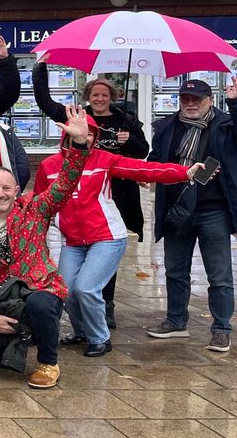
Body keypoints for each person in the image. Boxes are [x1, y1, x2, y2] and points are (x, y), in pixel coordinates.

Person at [35, 115, 198, 357]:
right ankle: (82, 331)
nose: (85, 137)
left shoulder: (104, 159)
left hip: (107, 237)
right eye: (81, 132)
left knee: (86, 288)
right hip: (73, 240)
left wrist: (184, 172)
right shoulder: (49, 165)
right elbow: (40, 205)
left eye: (91, 133)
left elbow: (144, 169)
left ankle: (100, 338)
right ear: (66, 134)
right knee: (65, 290)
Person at [0, 105, 91, 389]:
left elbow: (66, 184)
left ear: (17, 190)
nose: (0, 194)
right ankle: (19, 335)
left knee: (41, 304)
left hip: (40, 288)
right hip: (2, 298)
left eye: (6, 188)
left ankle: (48, 361)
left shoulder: (35, 207)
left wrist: (79, 144)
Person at [33, 61, 150, 326]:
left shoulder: (127, 120)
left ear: (112, 98)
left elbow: (142, 152)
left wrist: (128, 139)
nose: (99, 99)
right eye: (95, 95)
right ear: (88, 97)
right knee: (81, 252)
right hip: (83, 190)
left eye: (104, 95)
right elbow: (45, 102)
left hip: (117, 192)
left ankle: (105, 304)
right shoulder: (77, 116)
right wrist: (41, 68)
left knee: (105, 251)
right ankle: (86, 310)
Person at [145, 77, 237, 351]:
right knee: (174, 270)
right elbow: (155, 160)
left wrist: (235, 102)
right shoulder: (166, 126)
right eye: (185, 98)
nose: (190, 104)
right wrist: (145, 171)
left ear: (210, 100)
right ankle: (175, 321)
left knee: (219, 275)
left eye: (196, 99)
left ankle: (221, 328)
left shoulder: (225, 124)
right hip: (177, 208)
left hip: (213, 211)